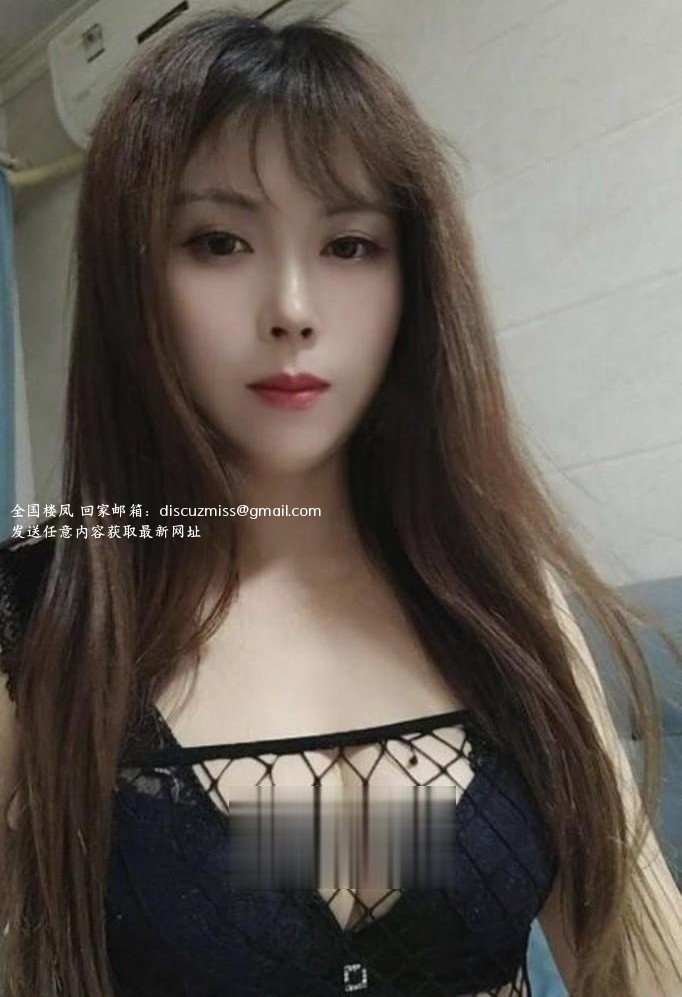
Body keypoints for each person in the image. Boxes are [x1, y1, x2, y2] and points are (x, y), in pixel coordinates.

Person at [0, 9, 680, 997]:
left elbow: (637, 956)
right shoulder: (40, 615)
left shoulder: (496, 592)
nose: (291, 308)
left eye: (350, 244)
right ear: (131, 281)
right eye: (220, 241)